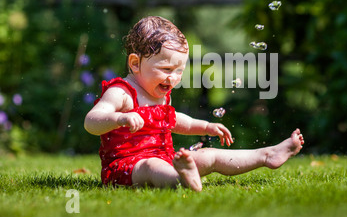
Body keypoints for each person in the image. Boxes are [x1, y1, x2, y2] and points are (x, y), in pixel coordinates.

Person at [84, 16, 305, 192]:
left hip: (167, 159)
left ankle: (267, 155)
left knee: (210, 155)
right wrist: (119, 118)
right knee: (151, 167)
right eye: (167, 69)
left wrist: (206, 127)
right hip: (128, 167)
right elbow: (91, 121)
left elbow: (176, 120)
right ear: (135, 63)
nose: (173, 78)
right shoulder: (122, 92)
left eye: (179, 70)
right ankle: (181, 179)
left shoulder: (160, 93)